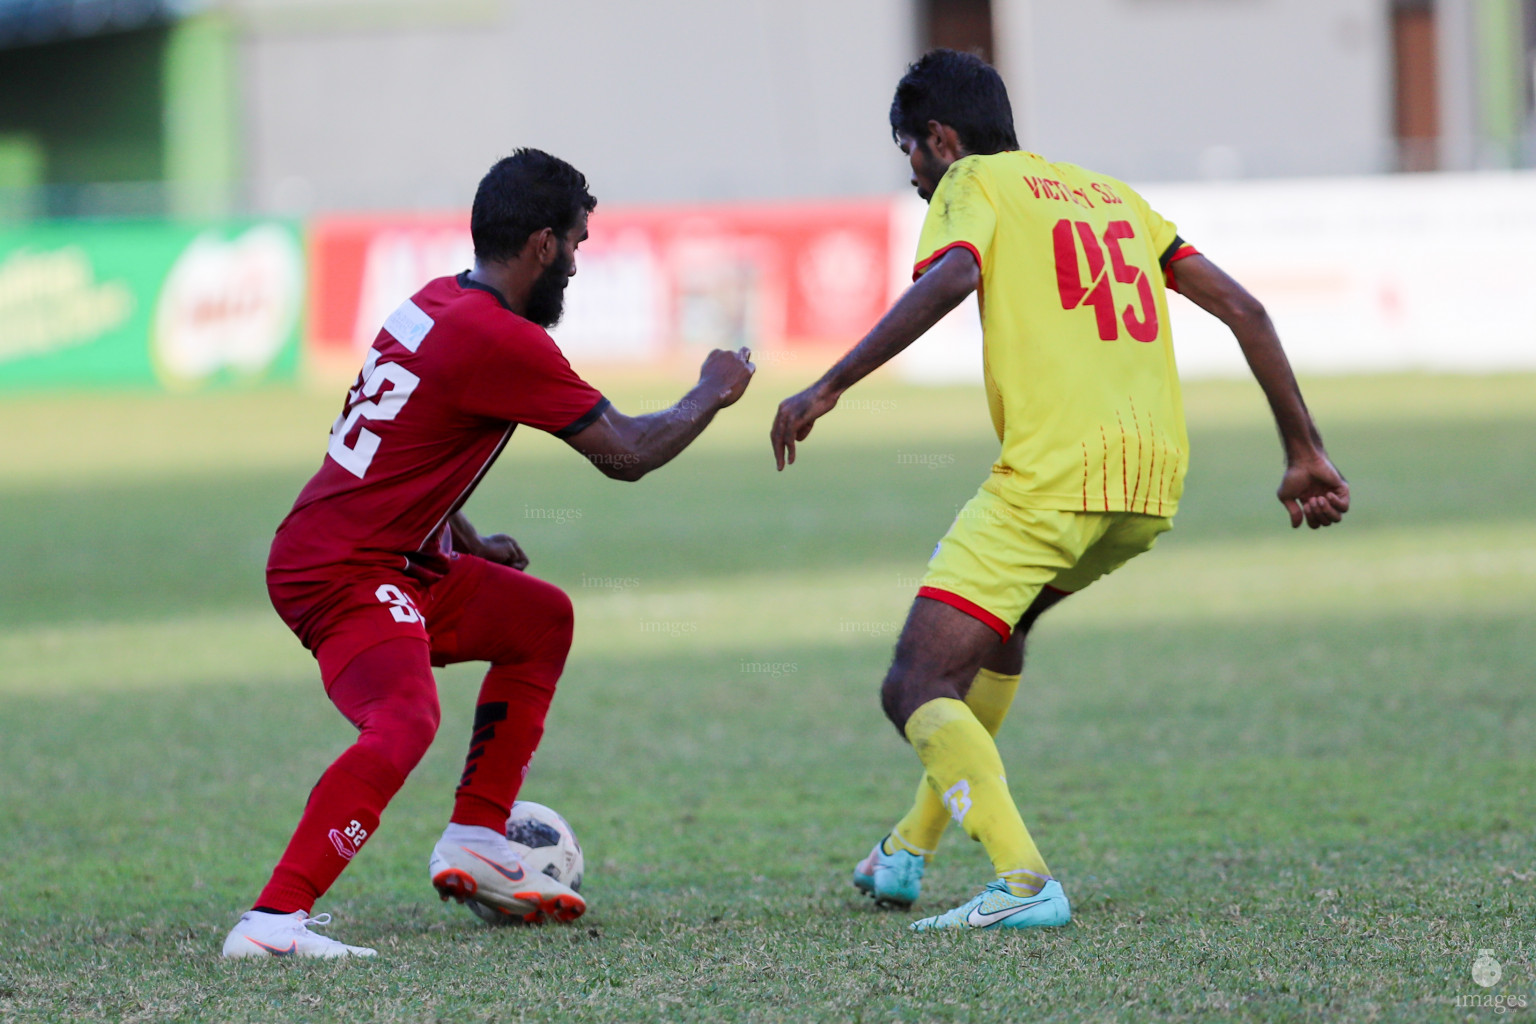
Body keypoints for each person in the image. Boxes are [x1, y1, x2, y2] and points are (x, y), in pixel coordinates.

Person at [770, 50, 1349, 933]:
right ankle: (905, 853)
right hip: (1149, 483)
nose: (916, 178)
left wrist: (828, 385)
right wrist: (1303, 450)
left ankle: (1023, 879)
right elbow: (1246, 310)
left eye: (910, 155)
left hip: (1054, 476)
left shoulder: (974, 183)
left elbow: (952, 276)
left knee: (914, 681)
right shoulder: (1110, 196)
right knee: (1001, 633)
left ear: (941, 137)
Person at [222, 148, 755, 958]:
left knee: (540, 620)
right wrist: (711, 389)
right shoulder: (504, 340)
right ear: (542, 244)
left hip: (386, 553)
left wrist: (467, 536)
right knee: (403, 719)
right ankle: (273, 922)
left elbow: (404, 439)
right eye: (575, 243)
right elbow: (627, 453)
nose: (576, 265)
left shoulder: (432, 302)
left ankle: (476, 835)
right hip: (340, 570)